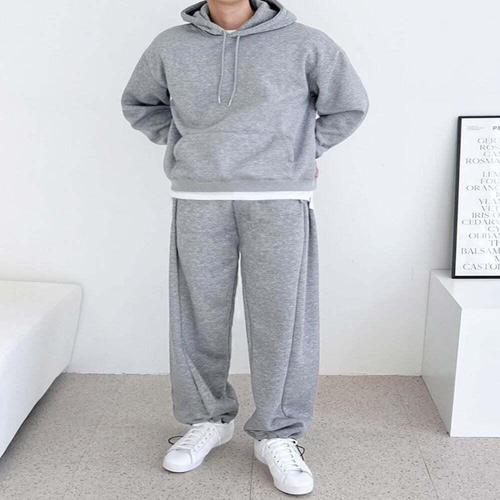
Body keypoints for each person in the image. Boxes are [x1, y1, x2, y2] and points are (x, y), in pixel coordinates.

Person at [121, 0, 368, 495]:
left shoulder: (307, 43)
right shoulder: (170, 45)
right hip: (199, 196)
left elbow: (349, 105)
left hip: (279, 196)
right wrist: (188, 146)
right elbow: (139, 104)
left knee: (283, 319)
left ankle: (279, 432)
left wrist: (304, 149)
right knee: (197, 314)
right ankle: (207, 419)